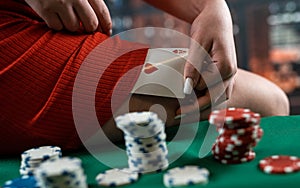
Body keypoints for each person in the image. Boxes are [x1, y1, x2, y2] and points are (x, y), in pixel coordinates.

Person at [0, 0, 289, 155]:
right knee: (266, 100)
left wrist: (211, 5)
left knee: (269, 98)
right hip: (10, 38)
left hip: (52, 28)